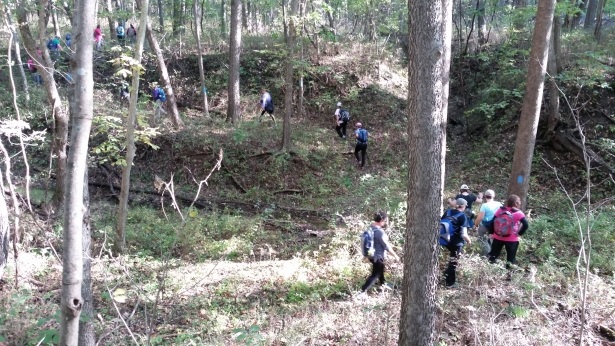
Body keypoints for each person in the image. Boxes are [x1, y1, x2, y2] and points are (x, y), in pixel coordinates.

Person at [357, 211, 400, 298]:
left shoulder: (370, 228)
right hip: (378, 256)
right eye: (385, 220)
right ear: (382, 220)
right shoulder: (379, 232)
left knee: (380, 271)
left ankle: (383, 284)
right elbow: (386, 246)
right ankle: (362, 291)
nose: (386, 222)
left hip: (371, 256)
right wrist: (396, 256)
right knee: (375, 274)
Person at [488, 194, 529, 271]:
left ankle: (490, 271)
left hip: (498, 237)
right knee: (510, 258)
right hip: (512, 239)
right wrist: (519, 234)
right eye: (519, 201)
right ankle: (508, 275)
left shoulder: (501, 210)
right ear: (516, 203)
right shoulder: (518, 213)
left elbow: (492, 222)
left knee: (493, 255)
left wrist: (492, 233)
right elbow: (526, 225)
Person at [442, 198, 471, 288]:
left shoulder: (448, 212)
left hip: (445, 240)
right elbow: (463, 234)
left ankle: (446, 274)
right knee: (453, 262)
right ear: (464, 206)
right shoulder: (463, 216)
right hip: (456, 243)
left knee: (452, 259)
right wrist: (469, 241)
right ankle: (449, 283)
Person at [473, 189, 502, 256]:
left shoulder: (484, 205)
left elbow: (480, 218)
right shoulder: (499, 204)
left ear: (485, 196)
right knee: (493, 240)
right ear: (493, 196)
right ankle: (493, 255)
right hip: (496, 226)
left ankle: (485, 255)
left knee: (482, 239)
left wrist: (475, 224)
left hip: (485, 226)